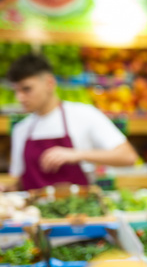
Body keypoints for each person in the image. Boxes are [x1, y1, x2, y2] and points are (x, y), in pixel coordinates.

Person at [6, 53, 138, 191]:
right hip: (33, 211)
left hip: (78, 209)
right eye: (16, 90)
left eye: (26, 89)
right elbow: (22, 181)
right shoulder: (21, 129)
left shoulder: (83, 114)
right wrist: (7, 189)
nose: (20, 97)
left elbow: (128, 157)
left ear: (49, 83)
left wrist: (77, 154)